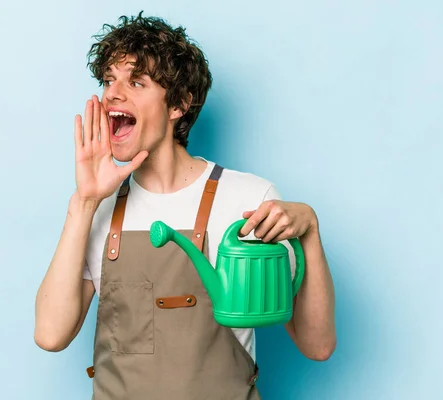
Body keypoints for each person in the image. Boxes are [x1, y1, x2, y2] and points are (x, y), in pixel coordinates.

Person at [34, 12, 336, 399]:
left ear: (178, 103)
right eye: (109, 80)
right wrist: (85, 202)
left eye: (136, 81)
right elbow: (50, 334)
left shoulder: (249, 200)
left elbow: (318, 345)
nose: (112, 93)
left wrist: (308, 229)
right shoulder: (99, 209)